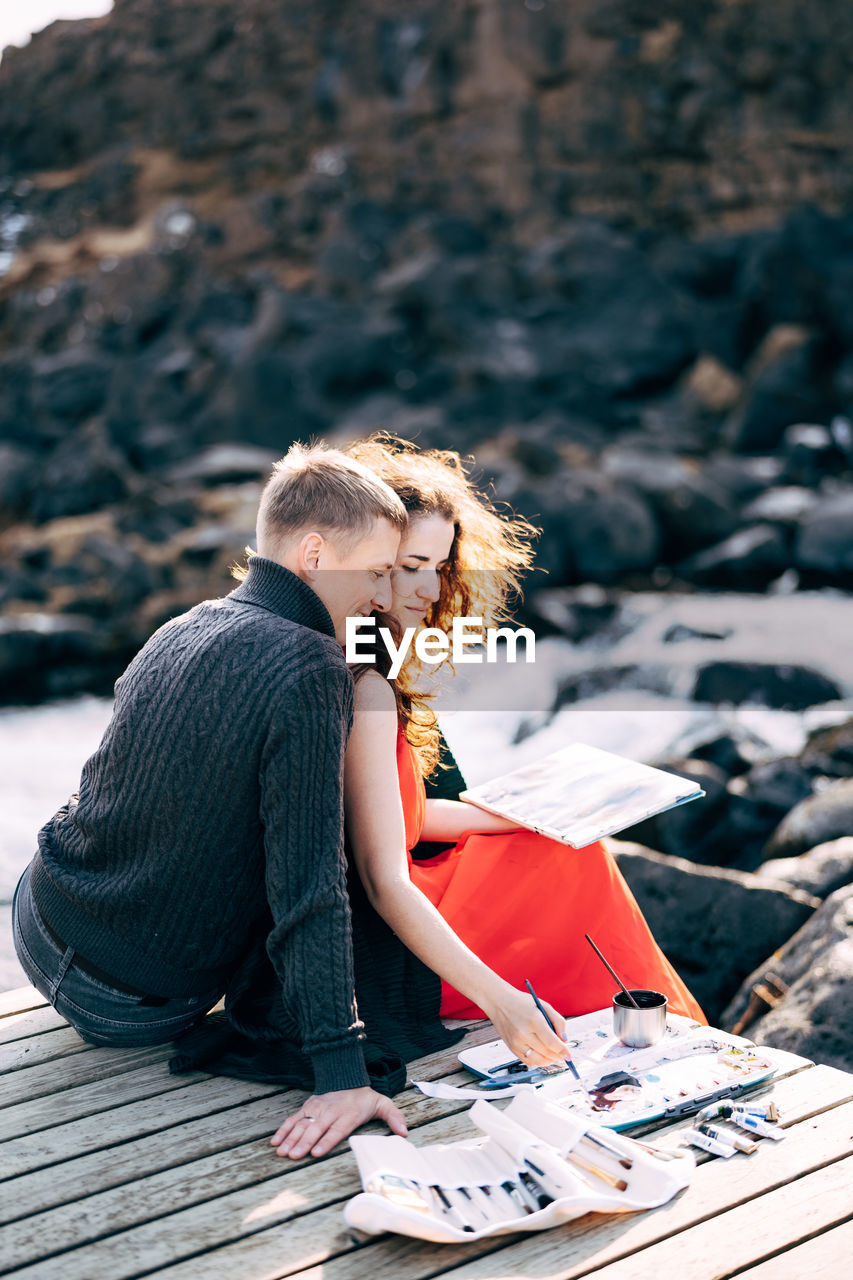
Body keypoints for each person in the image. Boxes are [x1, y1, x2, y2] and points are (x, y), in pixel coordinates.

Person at [12, 442, 412, 1158]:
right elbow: (307, 884)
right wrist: (339, 1072)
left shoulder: (185, 623)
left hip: (40, 921)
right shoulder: (310, 664)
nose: (381, 596)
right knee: (327, 847)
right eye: (376, 571)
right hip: (125, 1004)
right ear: (315, 553)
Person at [343, 439, 705, 1053]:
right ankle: (666, 1036)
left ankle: (653, 1029)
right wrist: (499, 1001)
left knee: (562, 843)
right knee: (576, 865)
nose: (430, 588)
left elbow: (396, 813)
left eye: (440, 567)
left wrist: (524, 811)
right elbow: (381, 869)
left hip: (402, 880)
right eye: (412, 564)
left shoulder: (366, 660)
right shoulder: (365, 687)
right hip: (392, 928)